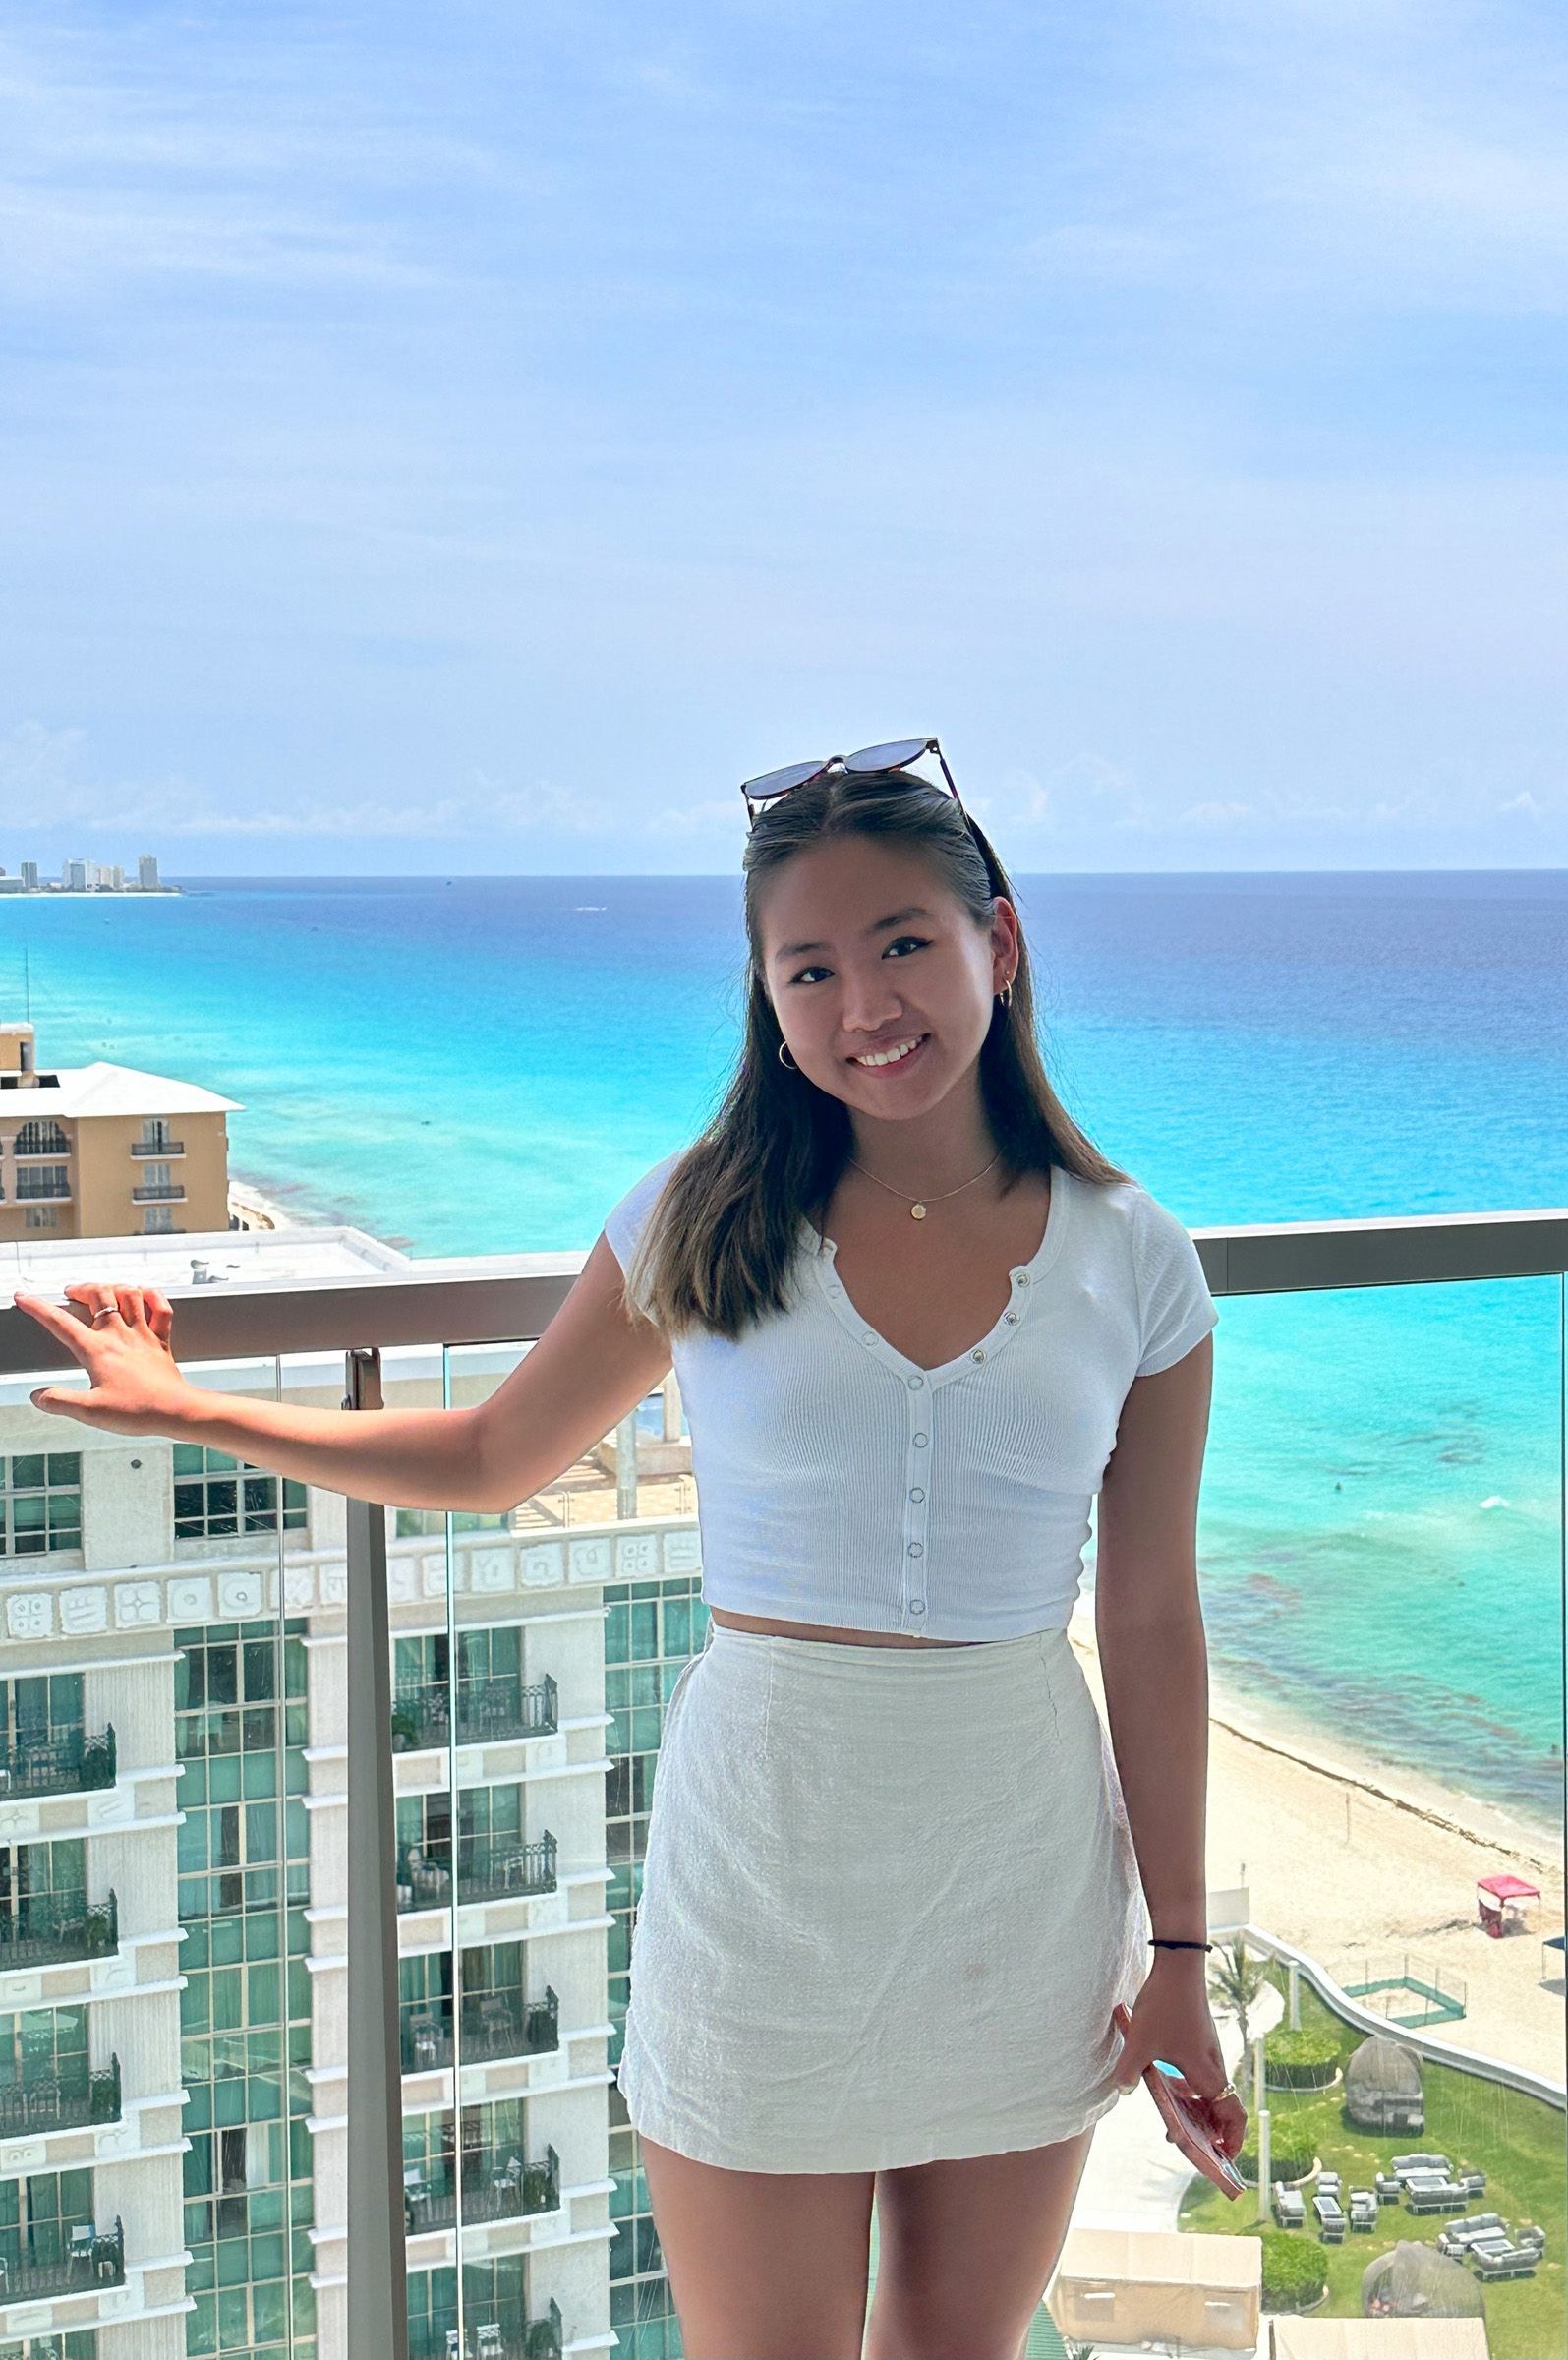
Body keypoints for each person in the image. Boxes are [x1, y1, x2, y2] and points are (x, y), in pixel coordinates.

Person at [16, 738, 1242, 2360]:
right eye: (811, 968)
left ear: (996, 945)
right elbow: (489, 1455)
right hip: (765, 1880)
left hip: (1017, 1886)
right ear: (768, 999)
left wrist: (1178, 1953)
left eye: (902, 944)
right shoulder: (700, 1218)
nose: (865, 1004)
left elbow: (1151, 1620)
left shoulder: (1135, 1258)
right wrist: (193, 1409)